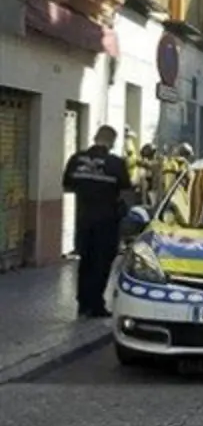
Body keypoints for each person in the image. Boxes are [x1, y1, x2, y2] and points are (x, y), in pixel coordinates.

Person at [61, 125, 133, 318]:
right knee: (102, 263)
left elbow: (67, 185)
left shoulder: (76, 159)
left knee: (85, 261)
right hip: (107, 221)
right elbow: (126, 191)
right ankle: (96, 305)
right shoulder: (115, 163)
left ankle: (83, 303)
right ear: (112, 142)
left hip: (83, 219)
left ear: (95, 138)